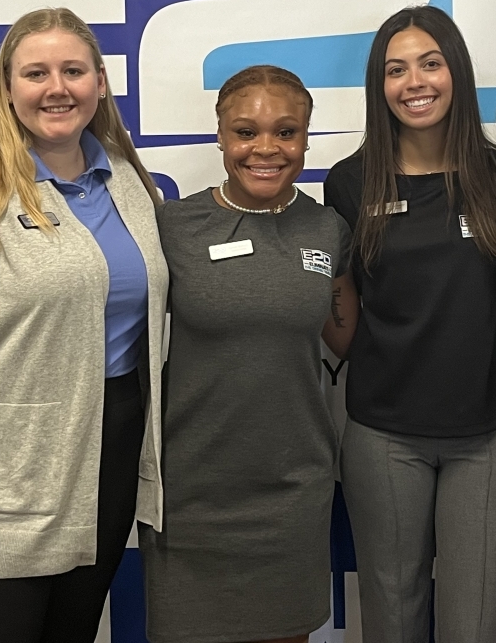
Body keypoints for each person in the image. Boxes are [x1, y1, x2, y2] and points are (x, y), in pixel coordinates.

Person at [0, 7, 169, 643]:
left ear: (101, 82)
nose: (57, 87)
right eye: (36, 73)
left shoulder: (127, 181)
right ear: (8, 87)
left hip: (104, 465)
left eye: (73, 70)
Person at [323, 5, 496, 643]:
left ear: (457, 73)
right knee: (391, 614)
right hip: (384, 433)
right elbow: (342, 303)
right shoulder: (351, 182)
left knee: (479, 619)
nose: (415, 81)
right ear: (378, 85)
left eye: (430, 63)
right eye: (396, 69)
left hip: (488, 432)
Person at [140, 65, 359, 643]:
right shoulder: (172, 227)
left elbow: (353, 338)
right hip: (192, 495)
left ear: (307, 138)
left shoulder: (328, 230)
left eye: (286, 132)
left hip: (292, 491)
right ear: (220, 136)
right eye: (246, 132)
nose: (266, 148)